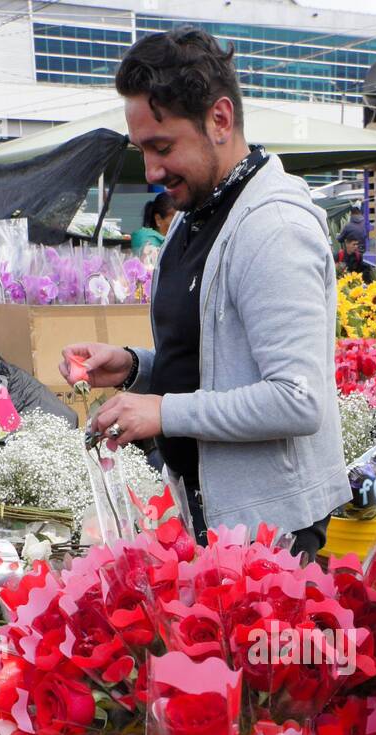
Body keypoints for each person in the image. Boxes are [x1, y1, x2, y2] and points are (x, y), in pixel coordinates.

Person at [59, 26, 351, 558]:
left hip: (268, 535)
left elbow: (297, 399)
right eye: (142, 150)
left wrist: (163, 412)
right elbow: (212, 362)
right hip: (212, 516)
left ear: (219, 119)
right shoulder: (194, 217)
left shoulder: (274, 227)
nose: (150, 172)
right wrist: (132, 367)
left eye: (162, 147)